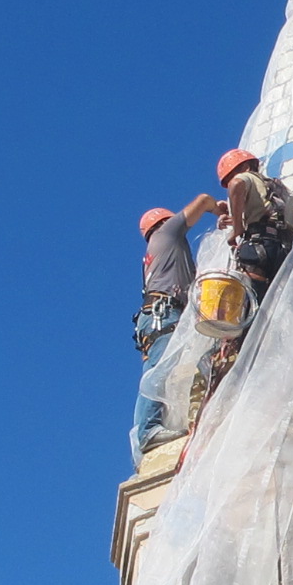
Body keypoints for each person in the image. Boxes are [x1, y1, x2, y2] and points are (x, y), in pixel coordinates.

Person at [131, 193, 218, 450]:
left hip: (159, 316)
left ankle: (153, 427)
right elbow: (202, 200)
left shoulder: (164, 254)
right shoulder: (166, 234)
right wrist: (220, 208)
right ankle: (148, 431)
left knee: (163, 370)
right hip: (164, 314)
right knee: (161, 370)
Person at [214, 148, 293, 298]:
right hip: (283, 251)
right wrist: (234, 219)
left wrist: (237, 229)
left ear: (245, 167)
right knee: (275, 302)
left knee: (251, 299)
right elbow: (272, 218)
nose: (230, 181)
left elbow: (236, 184)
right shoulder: (279, 189)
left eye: (231, 175)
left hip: (257, 245)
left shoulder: (247, 177)